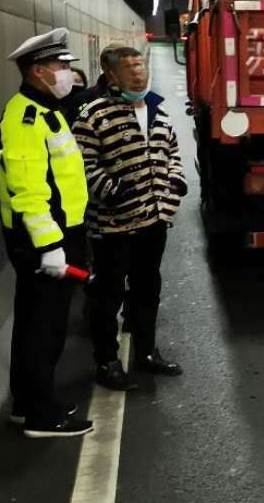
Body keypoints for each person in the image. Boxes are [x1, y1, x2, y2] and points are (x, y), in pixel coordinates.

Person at [0, 28, 94, 439]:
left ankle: (27, 403)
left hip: (59, 233)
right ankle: (42, 416)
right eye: (61, 67)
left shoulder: (47, 110)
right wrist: (50, 246)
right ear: (38, 71)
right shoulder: (25, 118)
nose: (69, 73)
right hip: (45, 242)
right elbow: (29, 188)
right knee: (44, 328)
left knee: (35, 322)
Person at [74, 45, 186, 390]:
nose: (139, 74)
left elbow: (172, 152)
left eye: (141, 66)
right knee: (108, 296)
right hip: (113, 225)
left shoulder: (156, 110)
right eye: (130, 69)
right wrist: (114, 190)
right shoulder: (93, 115)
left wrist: (175, 184)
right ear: (111, 76)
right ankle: (106, 361)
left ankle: (146, 351)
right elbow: (82, 165)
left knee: (147, 288)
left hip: (154, 221)